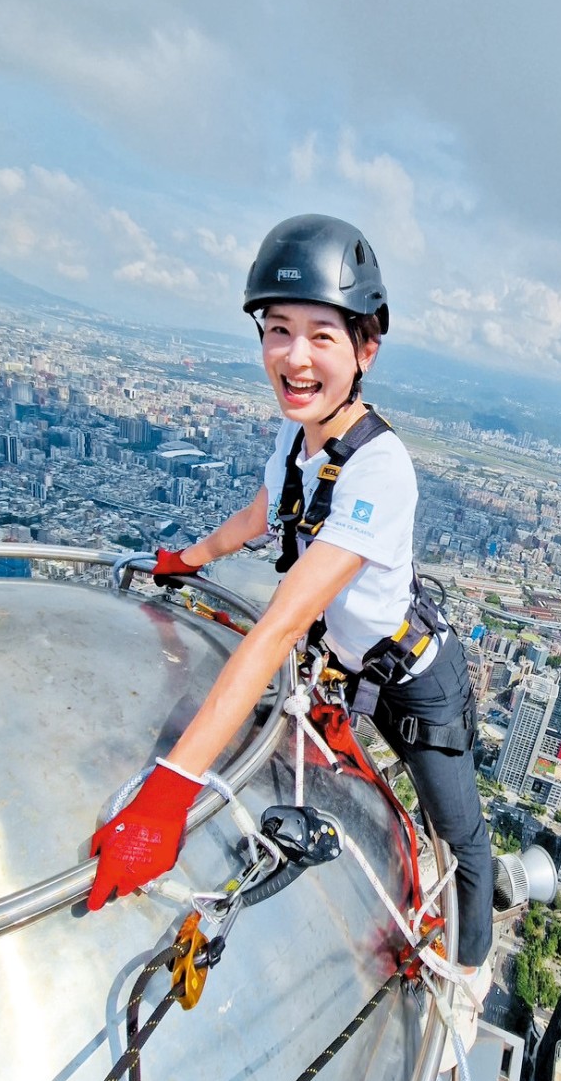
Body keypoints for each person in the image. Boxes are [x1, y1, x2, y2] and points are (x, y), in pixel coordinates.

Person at [88, 214, 494, 1005]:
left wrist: (172, 791)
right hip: (348, 667)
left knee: (463, 841)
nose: (293, 356)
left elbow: (281, 622)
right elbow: (264, 512)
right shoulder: (298, 437)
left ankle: (469, 982)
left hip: (415, 683)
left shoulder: (381, 470)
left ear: (365, 349)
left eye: (320, 335)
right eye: (277, 331)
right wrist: (190, 559)